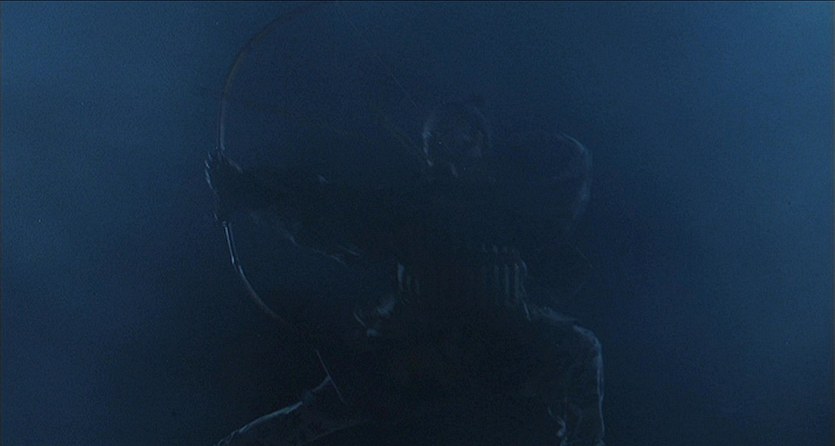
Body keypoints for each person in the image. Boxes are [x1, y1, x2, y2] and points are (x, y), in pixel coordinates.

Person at [207, 101, 605, 445]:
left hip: (503, 345)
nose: (441, 153)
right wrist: (246, 189)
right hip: (418, 355)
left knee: (580, 351)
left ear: (480, 143)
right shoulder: (412, 206)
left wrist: (509, 158)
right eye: (434, 145)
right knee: (304, 420)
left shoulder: (509, 203)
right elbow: (330, 210)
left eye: (455, 141)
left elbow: (567, 170)